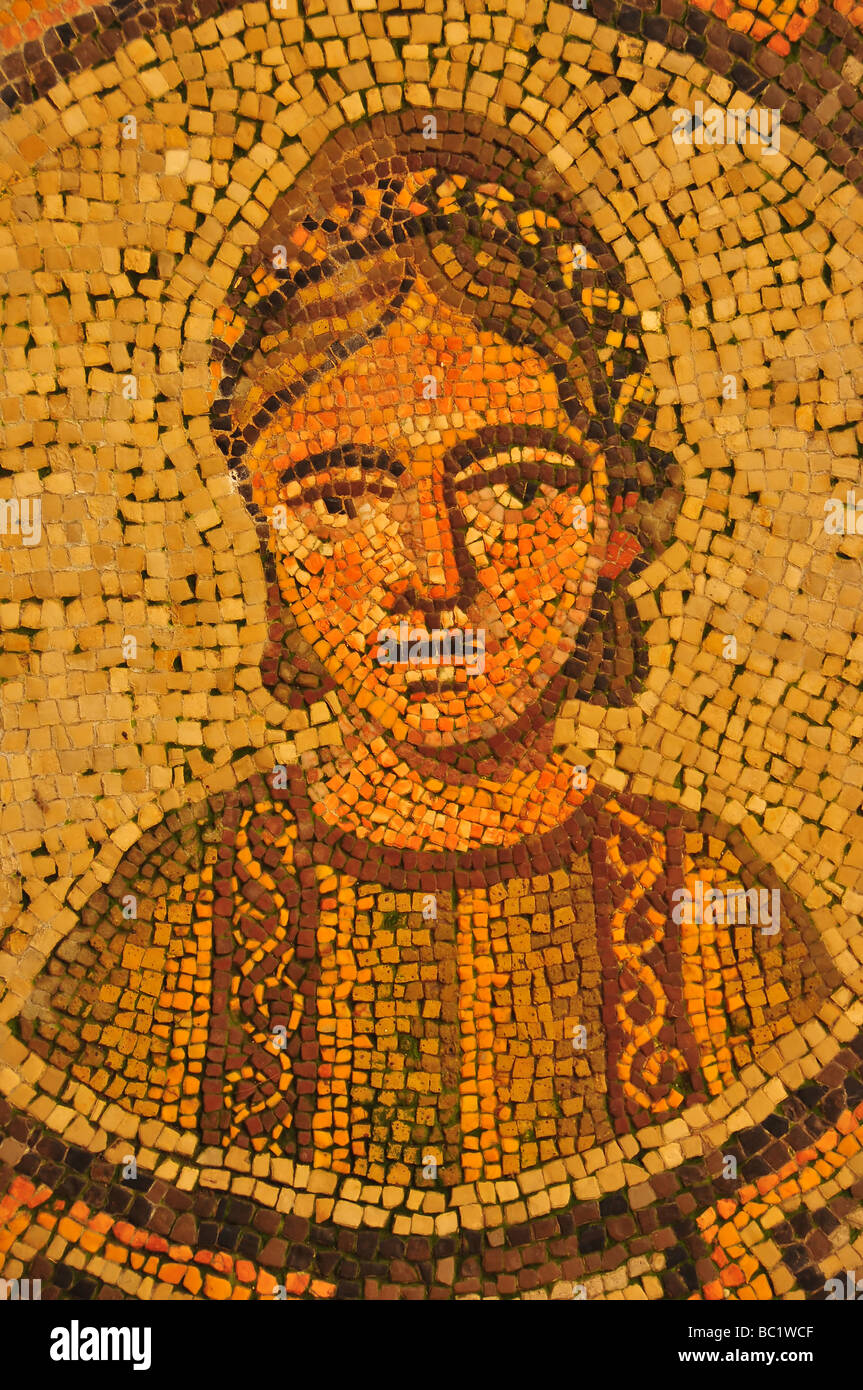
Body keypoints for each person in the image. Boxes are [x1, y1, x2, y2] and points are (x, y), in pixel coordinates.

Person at [10, 114, 849, 1302]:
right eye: (340, 497)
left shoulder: (723, 930)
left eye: (511, 483)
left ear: (613, 520)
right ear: (265, 537)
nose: (433, 568)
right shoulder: (163, 926)